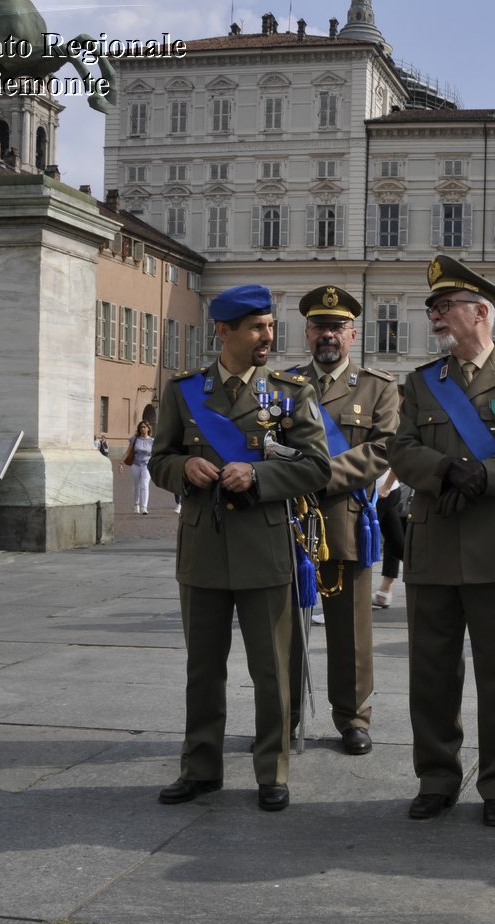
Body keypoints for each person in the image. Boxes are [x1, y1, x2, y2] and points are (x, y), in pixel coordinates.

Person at [387, 255, 495, 827]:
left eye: (445, 307)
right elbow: (402, 447)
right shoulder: (420, 382)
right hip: (434, 544)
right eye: (433, 308)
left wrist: (486, 475)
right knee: (432, 671)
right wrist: (444, 472)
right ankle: (437, 777)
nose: (435, 316)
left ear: (480, 312)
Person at [147, 284, 330, 812]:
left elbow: (316, 467)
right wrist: (185, 468)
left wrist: (258, 472)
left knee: (271, 668)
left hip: (264, 546)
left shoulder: (291, 393)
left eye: (270, 326)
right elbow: (160, 459)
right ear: (223, 332)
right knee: (203, 667)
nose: (267, 337)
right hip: (204, 547)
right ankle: (200, 768)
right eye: (256, 328)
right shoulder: (185, 393)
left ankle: (272, 772)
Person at [290, 284, 399, 756]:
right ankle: (283, 714)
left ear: (353, 334)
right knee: (285, 629)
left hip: (346, 521)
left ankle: (353, 718)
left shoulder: (378, 387)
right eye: (319, 327)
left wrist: (319, 475)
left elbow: (384, 447)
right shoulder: (283, 385)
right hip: (290, 522)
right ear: (307, 333)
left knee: (352, 632)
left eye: (337, 327)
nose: (327, 336)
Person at [373, 468, 406, 608]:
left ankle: (342, 605)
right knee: (398, 546)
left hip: (380, 491)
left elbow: (396, 455)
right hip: (386, 489)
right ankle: (385, 592)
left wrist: (386, 486)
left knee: (355, 550)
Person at [125, 421, 154, 514]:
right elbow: (128, 452)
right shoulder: (135, 439)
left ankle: (144, 507)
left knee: (145, 485)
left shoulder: (152, 441)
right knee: (136, 486)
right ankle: (136, 504)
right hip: (135, 465)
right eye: (141, 427)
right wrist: (121, 463)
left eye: (144, 427)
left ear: (148, 428)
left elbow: (155, 454)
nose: (143, 429)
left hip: (147, 466)